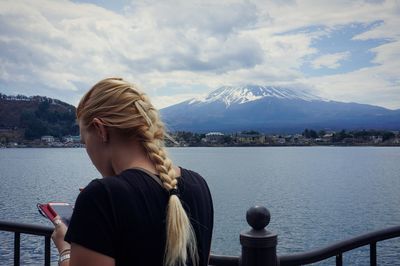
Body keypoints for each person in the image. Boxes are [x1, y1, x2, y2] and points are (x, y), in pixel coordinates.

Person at [51, 78, 214, 266]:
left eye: (84, 141)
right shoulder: (198, 184)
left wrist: (65, 250)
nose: (86, 149)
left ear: (100, 130)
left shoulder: (101, 197)